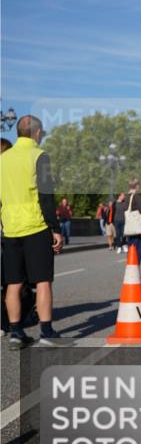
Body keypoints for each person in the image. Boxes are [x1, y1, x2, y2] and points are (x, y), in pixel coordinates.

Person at [1, 115, 65, 348]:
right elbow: (46, 197)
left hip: (10, 229)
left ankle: (16, 333)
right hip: (35, 227)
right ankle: (47, 332)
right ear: (37, 133)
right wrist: (55, 229)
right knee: (43, 281)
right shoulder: (40, 156)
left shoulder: (3, 159)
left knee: (14, 283)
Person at [123, 177, 141, 263]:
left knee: (131, 250)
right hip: (137, 229)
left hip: (130, 228)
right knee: (138, 250)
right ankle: (136, 272)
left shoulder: (127, 197)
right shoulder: (136, 196)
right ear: (137, 186)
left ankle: (131, 271)